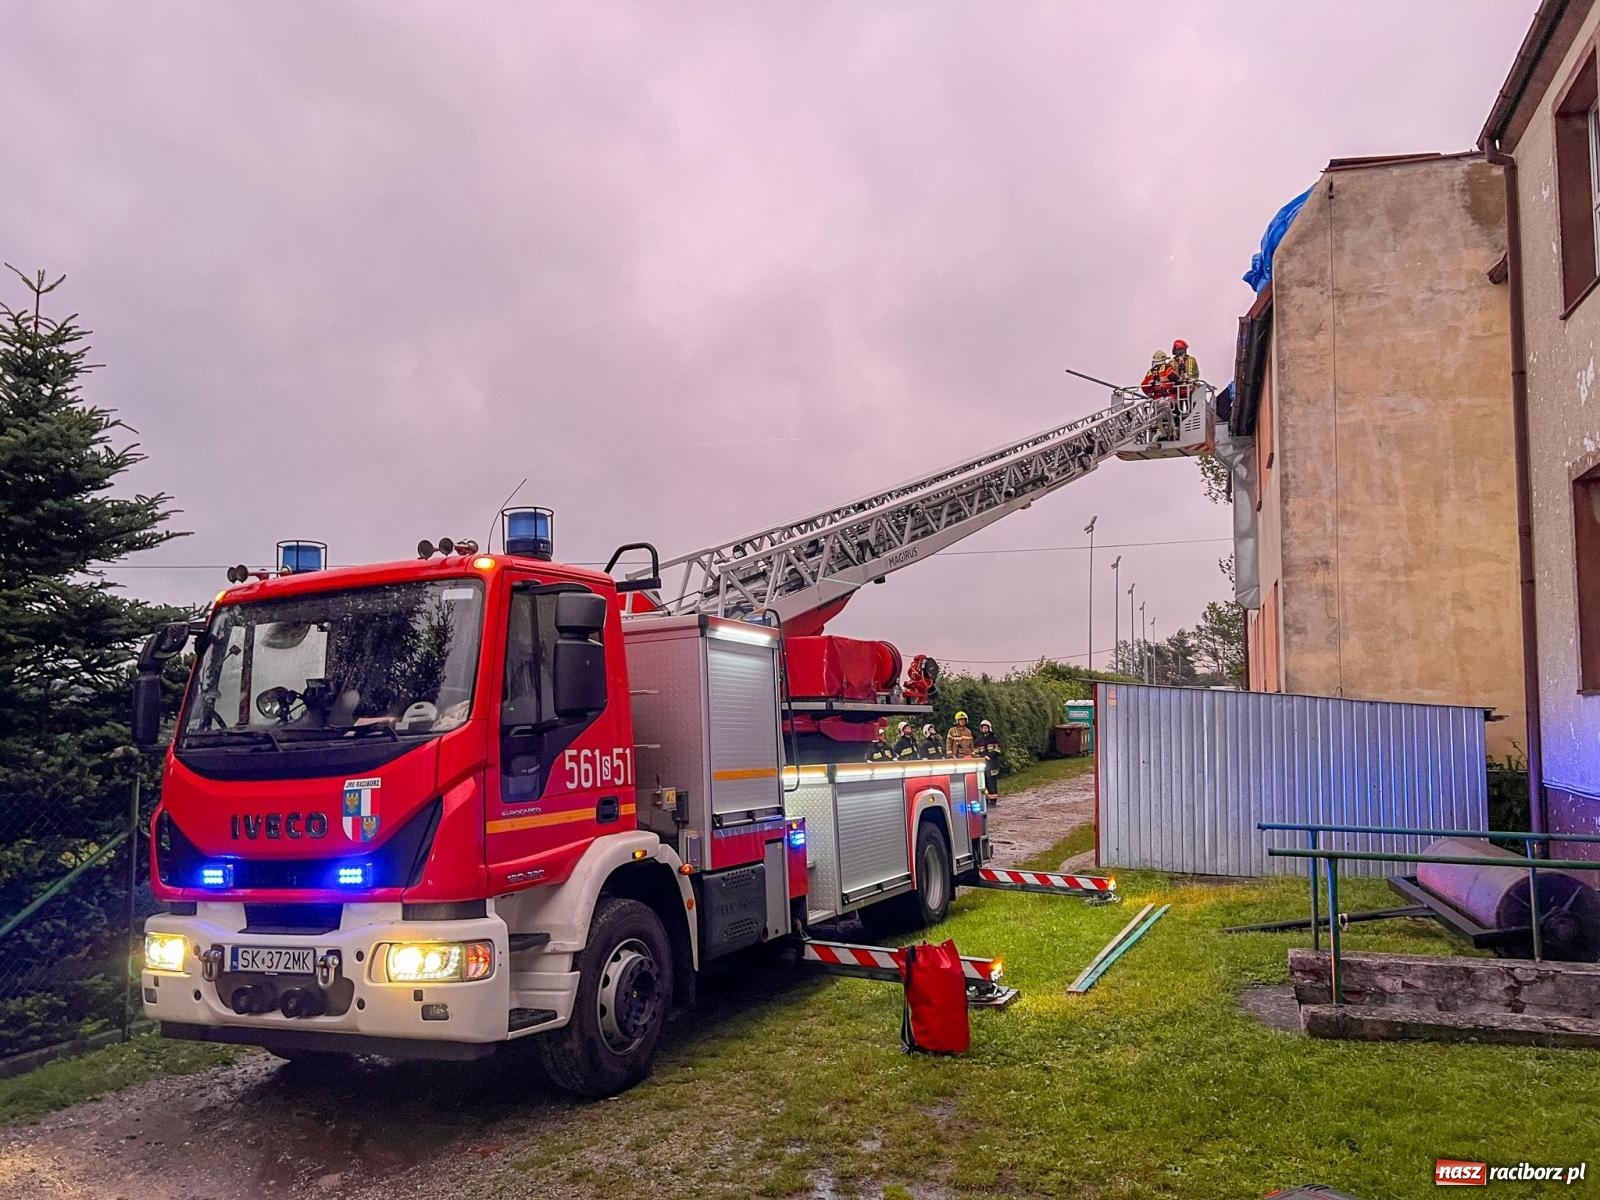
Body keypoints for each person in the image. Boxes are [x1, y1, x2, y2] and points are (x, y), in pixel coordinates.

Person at [975, 719, 1002, 806]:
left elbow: (997, 750)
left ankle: (993, 801)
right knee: (984, 782)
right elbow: (976, 751)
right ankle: (985, 800)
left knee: (992, 783)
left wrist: (989, 756)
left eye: (986, 728)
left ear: (989, 728)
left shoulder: (994, 738)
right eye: (983, 728)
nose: (985, 730)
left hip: (992, 764)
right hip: (982, 765)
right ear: (981, 729)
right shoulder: (979, 740)